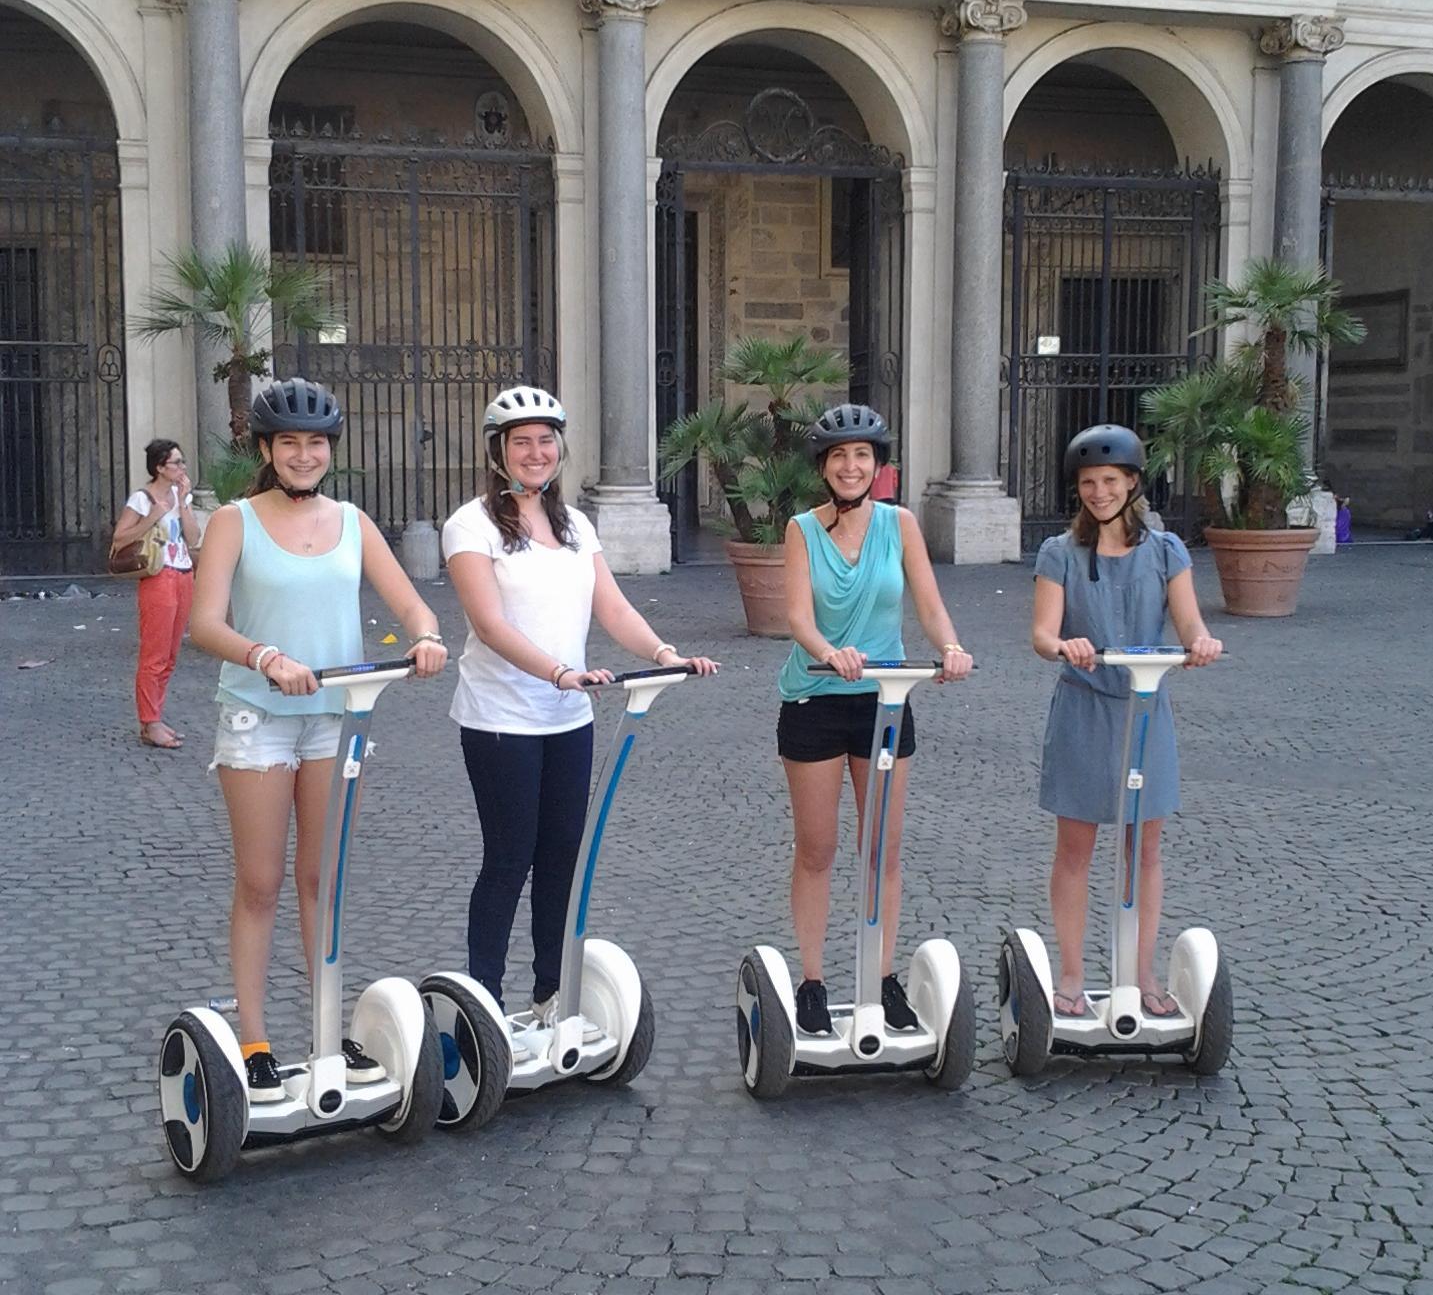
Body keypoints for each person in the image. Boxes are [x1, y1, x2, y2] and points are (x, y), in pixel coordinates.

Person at [189, 377, 448, 1102]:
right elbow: (205, 623)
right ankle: (253, 1038)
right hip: (259, 716)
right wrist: (266, 657)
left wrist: (426, 637)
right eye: (290, 443)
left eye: (316, 443)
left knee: (321, 880)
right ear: (267, 449)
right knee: (262, 881)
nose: (305, 455)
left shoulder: (354, 522)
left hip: (337, 716)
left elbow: (410, 602)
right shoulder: (235, 522)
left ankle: (327, 1030)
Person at [443, 385, 718, 1020]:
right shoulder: (471, 525)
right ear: (498, 452)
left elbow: (613, 606)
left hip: (569, 719)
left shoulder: (574, 523)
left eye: (545, 441)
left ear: (559, 450)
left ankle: (550, 990)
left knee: (562, 858)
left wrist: (663, 654)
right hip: (499, 719)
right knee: (510, 859)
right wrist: (558, 671)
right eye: (521, 442)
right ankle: (481, 1001)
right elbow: (488, 624)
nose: (535, 453)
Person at [778, 403, 974, 1036]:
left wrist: (949, 648)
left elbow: (930, 605)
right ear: (824, 467)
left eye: (862, 455)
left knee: (882, 850)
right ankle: (811, 981)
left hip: (886, 701)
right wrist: (829, 652)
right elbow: (798, 617)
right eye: (839, 456)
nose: (851, 465)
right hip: (815, 699)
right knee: (818, 849)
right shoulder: (801, 529)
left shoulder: (901, 524)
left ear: (878, 465)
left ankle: (882, 977)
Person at [1030, 424, 1221, 1019]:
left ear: (1134, 483)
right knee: (1075, 850)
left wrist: (1201, 641)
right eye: (1089, 483)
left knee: (1145, 850)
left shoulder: (1167, 552)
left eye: (1110, 481)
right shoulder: (1059, 554)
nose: (1099, 492)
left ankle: (1140, 975)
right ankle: (1070, 975)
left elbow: (1189, 622)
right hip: (1084, 710)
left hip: (1145, 710)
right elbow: (1041, 633)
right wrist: (1066, 646)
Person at [111, 438, 201, 748]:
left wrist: (184, 502)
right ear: (160, 467)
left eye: (182, 462)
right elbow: (120, 538)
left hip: (183, 573)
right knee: (155, 653)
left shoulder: (180, 497)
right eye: (176, 463)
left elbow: (193, 537)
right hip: (157, 575)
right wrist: (152, 517)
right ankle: (149, 722)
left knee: (171, 654)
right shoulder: (142, 499)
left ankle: (156, 717)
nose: (182, 467)